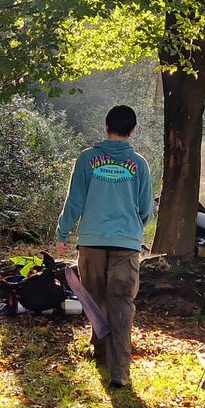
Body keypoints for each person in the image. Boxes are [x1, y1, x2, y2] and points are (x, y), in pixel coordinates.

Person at [55, 105, 153, 388]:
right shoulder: (140, 164)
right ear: (133, 130)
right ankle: (119, 369)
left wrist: (63, 232)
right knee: (121, 302)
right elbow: (146, 208)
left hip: (92, 242)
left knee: (97, 300)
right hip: (126, 243)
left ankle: (100, 352)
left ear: (105, 126)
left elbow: (75, 200)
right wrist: (133, 225)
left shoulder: (87, 159)